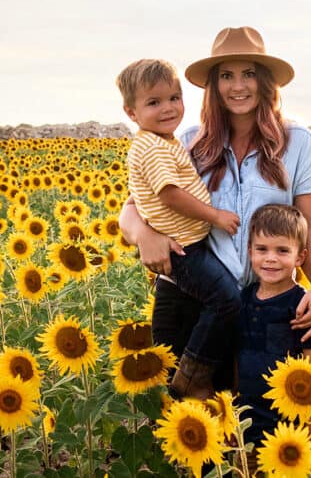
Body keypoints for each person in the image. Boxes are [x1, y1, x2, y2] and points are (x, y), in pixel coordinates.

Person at [119, 26, 311, 394]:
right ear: (213, 85)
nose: (238, 86)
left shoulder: (299, 143)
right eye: (227, 76)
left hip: (265, 302)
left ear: (265, 81)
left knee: (265, 422)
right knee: (193, 425)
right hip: (194, 302)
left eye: (248, 73)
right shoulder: (186, 141)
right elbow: (132, 208)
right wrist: (144, 235)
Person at [115, 58, 243, 400]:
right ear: (131, 112)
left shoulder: (166, 141)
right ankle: (193, 375)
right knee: (227, 300)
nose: (168, 108)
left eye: (174, 98)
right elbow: (168, 195)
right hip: (185, 251)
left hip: (192, 246)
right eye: (154, 102)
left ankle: (192, 376)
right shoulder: (154, 146)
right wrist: (215, 216)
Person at [237, 204, 311, 448]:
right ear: (250, 252)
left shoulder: (301, 304)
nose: (270, 258)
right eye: (262, 249)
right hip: (243, 420)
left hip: (285, 425)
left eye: (282, 251)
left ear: (300, 257)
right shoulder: (242, 299)